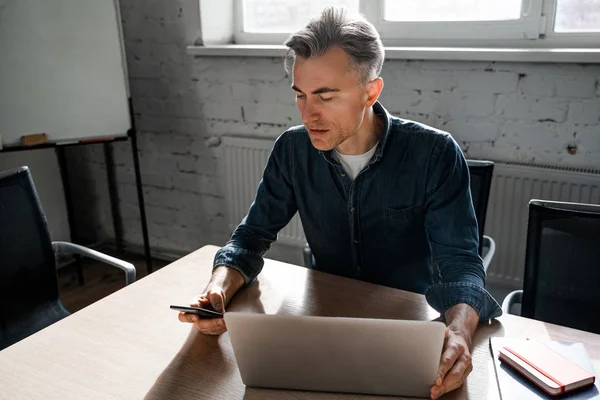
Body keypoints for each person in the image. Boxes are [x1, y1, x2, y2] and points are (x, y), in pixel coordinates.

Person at [179, 6, 501, 399]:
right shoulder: (292, 150)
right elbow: (250, 238)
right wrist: (217, 289)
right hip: (323, 323)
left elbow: (462, 266)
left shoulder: (434, 153)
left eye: (325, 96)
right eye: (300, 95)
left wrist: (459, 334)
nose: (308, 113)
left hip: (410, 330)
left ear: (371, 91)